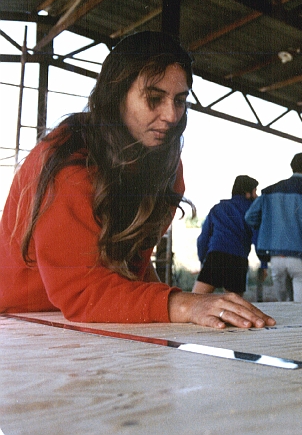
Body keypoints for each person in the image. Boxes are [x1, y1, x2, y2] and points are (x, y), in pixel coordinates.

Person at [0, 31, 275, 330]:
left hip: (94, 317)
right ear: (117, 95)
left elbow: (133, 268)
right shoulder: (69, 164)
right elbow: (82, 292)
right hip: (22, 319)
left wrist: (184, 303)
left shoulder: (166, 167)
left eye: (180, 100)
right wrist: (183, 303)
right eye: (154, 98)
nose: (171, 115)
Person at [245, 153, 302, 303]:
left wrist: (269, 226)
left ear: (292, 167)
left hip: (277, 259)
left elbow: (250, 217)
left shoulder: (269, 191)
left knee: (286, 311)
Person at [193, 175, 264, 297]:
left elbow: (203, 239)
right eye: (255, 191)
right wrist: (263, 263)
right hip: (238, 260)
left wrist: (203, 260)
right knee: (234, 308)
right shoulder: (252, 211)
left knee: (196, 299)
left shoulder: (218, 208)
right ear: (247, 193)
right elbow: (258, 238)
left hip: (215, 256)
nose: (256, 196)